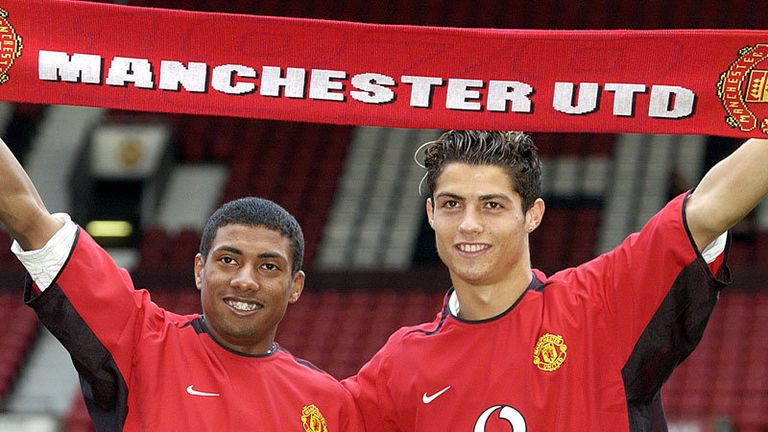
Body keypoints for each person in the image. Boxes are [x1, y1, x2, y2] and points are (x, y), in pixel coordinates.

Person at [343, 130, 768, 431]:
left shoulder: (596, 305)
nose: (469, 224)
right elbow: (315, 410)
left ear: (533, 214)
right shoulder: (400, 365)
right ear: (431, 214)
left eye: (492, 205)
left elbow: (709, 208)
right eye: (452, 204)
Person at [0, 138, 363, 431]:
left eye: (268, 266)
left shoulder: (327, 402)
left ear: (295, 286)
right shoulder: (141, 341)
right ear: (200, 269)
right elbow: (28, 216)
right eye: (228, 260)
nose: (245, 281)